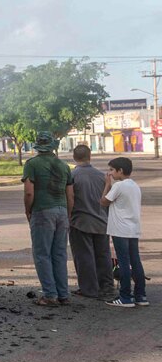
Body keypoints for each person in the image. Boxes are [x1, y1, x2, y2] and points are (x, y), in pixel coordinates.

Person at [22, 131, 74, 306]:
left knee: (42, 254)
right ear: (53, 146)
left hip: (43, 211)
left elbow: (29, 192)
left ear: (37, 146)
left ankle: (50, 295)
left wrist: (28, 210)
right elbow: (70, 195)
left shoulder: (32, 164)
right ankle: (63, 294)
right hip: (62, 211)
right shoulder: (64, 166)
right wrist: (67, 214)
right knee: (59, 254)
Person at [69, 146, 115, 299]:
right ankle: (107, 287)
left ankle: (89, 289)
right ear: (90, 156)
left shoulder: (72, 176)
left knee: (84, 256)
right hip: (101, 222)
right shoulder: (102, 176)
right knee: (103, 256)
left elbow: (69, 199)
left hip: (80, 222)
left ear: (74, 157)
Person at [101, 157, 147, 307]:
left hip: (120, 229)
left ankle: (125, 297)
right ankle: (140, 296)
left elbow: (103, 202)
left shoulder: (118, 186)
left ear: (120, 171)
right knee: (135, 261)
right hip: (133, 228)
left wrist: (107, 185)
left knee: (123, 262)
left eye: (112, 170)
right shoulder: (134, 186)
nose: (110, 173)